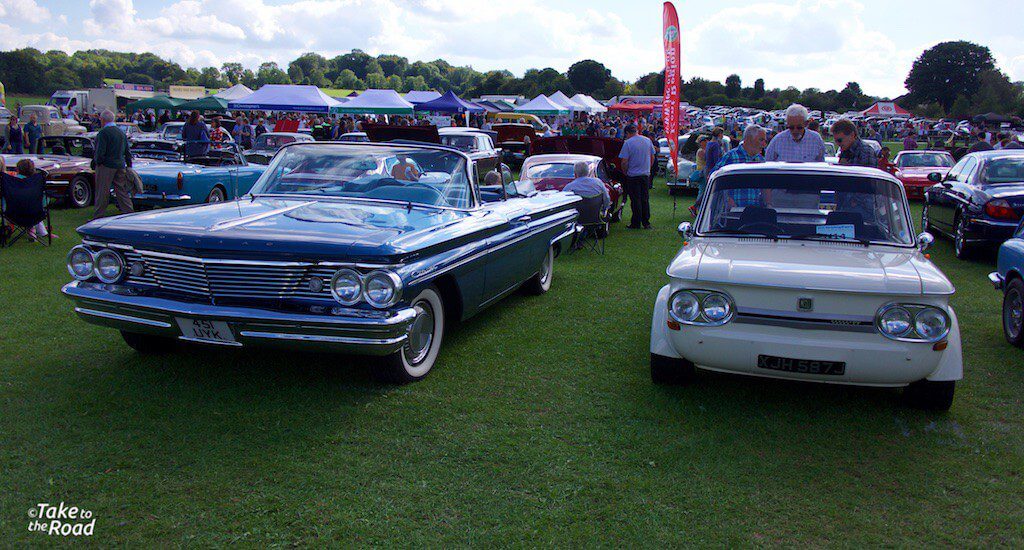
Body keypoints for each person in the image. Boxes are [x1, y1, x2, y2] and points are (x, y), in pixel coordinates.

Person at [709, 125, 768, 208]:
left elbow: (765, 187)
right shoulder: (731, 157)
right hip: (733, 213)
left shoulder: (761, 161)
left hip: (756, 213)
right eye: (761, 140)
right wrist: (726, 199)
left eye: (765, 141)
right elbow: (712, 178)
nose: (764, 144)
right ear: (748, 139)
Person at [91, 110, 134, 219]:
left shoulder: (103, 133)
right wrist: (129, 165)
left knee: (102, 191)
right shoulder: (121, 133)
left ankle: (98, 216)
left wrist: (97, 162)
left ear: (103, 120)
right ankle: (129, 213)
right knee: (121, 190)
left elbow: (100, 151)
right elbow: (127, 151)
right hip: (120, 165)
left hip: (106, 166)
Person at [0, 157, 56, 240]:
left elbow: (4, 200)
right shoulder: (37, 183)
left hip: (11, 214)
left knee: (25, 205)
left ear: (17, 169)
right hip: (34, 214)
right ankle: (39, 232)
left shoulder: (10, 182)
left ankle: (33, 231)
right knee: (34, 206)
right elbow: (44, 202)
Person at [618, 123, 656, 229]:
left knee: (635, 200)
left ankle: (636, 222)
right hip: (645, 174)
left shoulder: (628, 143)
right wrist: (648, 168)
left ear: (627, 133)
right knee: (645, 198)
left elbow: (624, 161)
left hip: (633, 175)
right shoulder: (647, 140)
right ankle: (646, 221)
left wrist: (625, 172)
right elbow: (652, 157)